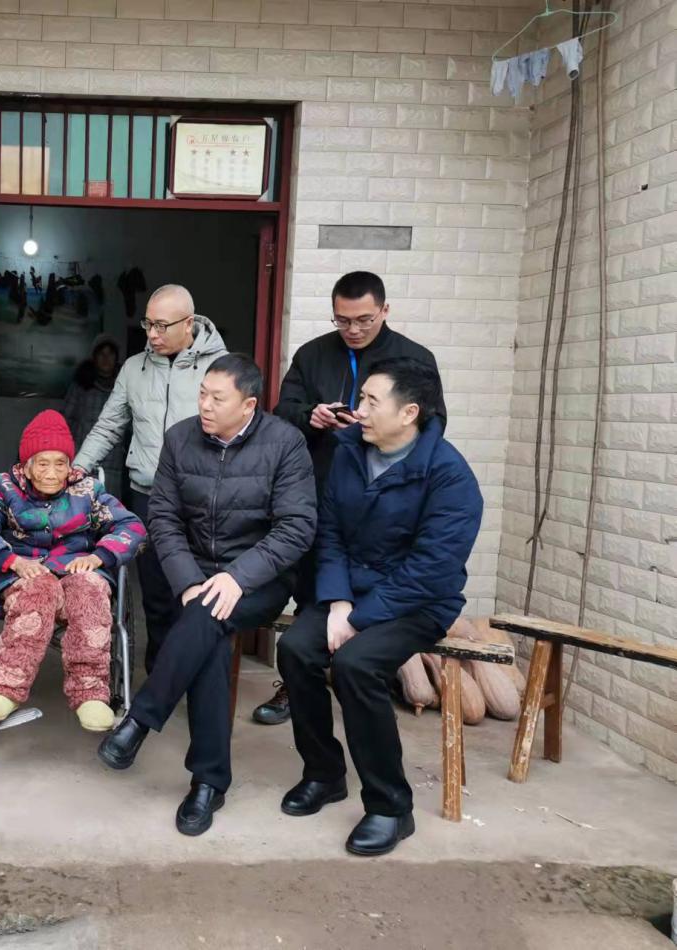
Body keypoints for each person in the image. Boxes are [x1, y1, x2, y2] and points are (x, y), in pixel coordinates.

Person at [97, 355, 315, 836]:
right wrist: (188, 580)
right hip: (197, 573)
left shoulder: (285, 443)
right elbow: (163, 518)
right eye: (202, 393)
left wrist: (239, 577)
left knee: (207, 617)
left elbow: (297, 528)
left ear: (249, 405)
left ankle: (140, 720)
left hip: (260, 577)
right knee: (209, 631)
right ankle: (208, 783)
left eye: (218, 398)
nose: (205, 405)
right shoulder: (180, 438)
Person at [277, 358, 482, 857]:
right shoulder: (349, 451)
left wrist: (359, 619)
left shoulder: (449, 476)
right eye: (361, 398)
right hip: (352, 593)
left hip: (419, 602)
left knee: (356, 664)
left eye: (372, 401)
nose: (359, 410)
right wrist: (338, 600)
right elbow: (330, 534)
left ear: (409, 412)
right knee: (297, 649)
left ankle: (391, 806)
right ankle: (324, 774)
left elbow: (431, 570)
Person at [252, 271, 447, 727]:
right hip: (322, 484)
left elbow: (433, 425)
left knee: (381, 578)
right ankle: (299, 681)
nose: (353, 330)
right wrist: (312, 416)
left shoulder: (414, 359)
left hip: (389, 491)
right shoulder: (313, 354)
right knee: (315, 581)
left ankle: (365, 670)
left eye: (364, 320)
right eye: (342, 320)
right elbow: (282, 413)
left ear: (384, 310)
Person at [0, 410, 146, 732]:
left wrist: (99, 557)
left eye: (60, 463)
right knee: (40, 588)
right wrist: (11, 561)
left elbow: (131, 526)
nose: (52, 472)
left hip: (77, 570)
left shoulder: (88, 491)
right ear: (26, 465)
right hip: (24, 573)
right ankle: (5, 690)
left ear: (70, 465)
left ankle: (90, 694)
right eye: (42, 463)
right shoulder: (4, 488)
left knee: (90, 590)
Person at [73, 284, 227, 673]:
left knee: (199, 588)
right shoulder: (133, 368)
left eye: (162, 326)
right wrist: (80, 465)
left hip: (204, 496)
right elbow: (109, 425)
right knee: (156, 590)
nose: (152, 334)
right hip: (148, 493)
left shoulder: (222, 368)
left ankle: (195, 671)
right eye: (148, 324)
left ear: (188, 323)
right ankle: (162, 670)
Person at [63, 334, 125, 496]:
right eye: (101, 354)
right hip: (81, 458)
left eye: (110, 354)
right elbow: (66, 420)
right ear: (94, 358)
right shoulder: (81, 384)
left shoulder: (124, 385)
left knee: (108, 505)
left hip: (112, 462)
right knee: (80, 503)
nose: (106, 358)